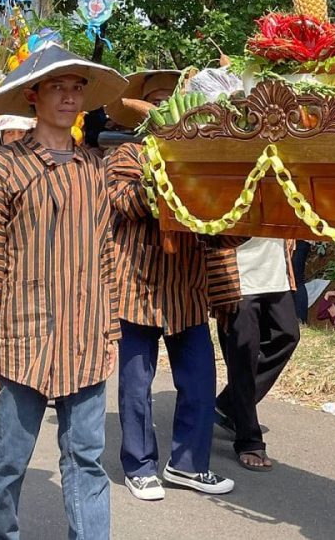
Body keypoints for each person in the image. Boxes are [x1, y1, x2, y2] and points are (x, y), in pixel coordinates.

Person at [0, 44, 127, 540]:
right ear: (33, 96)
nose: (70, 97)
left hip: (86, 337)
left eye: (77, 88)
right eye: (58, 87)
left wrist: (110, 329)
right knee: (9, 459)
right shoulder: (1, 168)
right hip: (21, 337)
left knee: (87, 460)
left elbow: (105, 255)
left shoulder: (97, 168)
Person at [105, 71, 236, 500]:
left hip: (187, 292)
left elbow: (220, 230)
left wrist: (238, 214)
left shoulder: (204, 159)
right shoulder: (127, 155)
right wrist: (164, 182)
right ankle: (139, 465)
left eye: (169, 99)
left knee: (199, 380)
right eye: (154, 100)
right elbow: (124, 201)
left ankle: (188, 465)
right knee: (136, 384)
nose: (163, 107)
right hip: (136, 288)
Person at [213, 237, 299, 472]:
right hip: (238, 272)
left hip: (275, 271)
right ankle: (248, 439)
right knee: (243, 356)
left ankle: (228, 404)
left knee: (288, 335)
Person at [292, 240, 312, 322]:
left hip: (297, 239)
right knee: (296, 280)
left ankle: (300, 319)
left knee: (296, 280)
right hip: (297, 239)